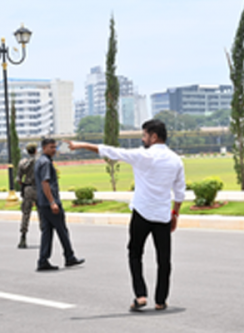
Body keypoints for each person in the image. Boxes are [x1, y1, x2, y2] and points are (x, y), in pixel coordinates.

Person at [68, 119, 185, 311]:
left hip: (141, 214)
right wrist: (175, 214)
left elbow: (112, 151)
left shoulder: (142, 156)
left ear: (154, 137)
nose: (142, 139)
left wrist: (82, 145)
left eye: (144, 135)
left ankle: (140, 295)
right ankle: (160, 300)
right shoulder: (176, 160)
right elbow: (179, 192)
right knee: (164, 259)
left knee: (135, 254)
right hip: (163, 216)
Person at [34, 138, 84, 271]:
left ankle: (43, 260)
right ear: (44, 148)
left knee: (47, 232)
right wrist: (53, 202)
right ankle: (69, 257)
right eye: (51, 147)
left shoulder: (41, 161)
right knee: (62, 230)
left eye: (55, 147)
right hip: (50, 203)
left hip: (43, 203)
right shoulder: (45, 163)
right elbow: (45, 183)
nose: (54, 150)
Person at [16, 143, 39, 248]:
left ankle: (23, 237)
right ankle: (44, 236)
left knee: (26, 214)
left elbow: (19, 179)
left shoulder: (23, 163)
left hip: (28, 189)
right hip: (39, 189)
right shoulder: (40, 161)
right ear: (36, 150)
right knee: (42, 214)